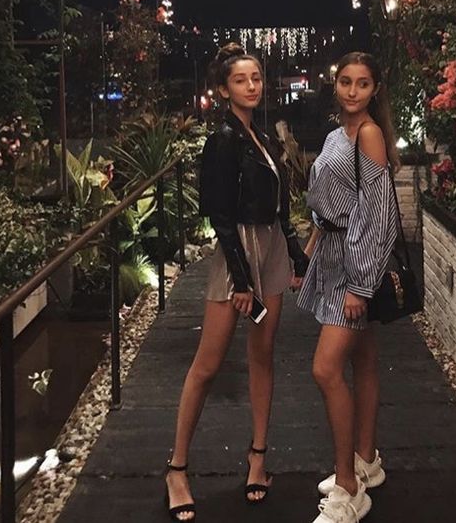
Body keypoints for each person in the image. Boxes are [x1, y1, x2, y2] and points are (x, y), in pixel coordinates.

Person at [164, 43, 309, 521]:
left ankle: (258, 459)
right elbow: (221, 218)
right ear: (224, 89)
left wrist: (292, 252)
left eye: (257, 77)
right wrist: (242, 280)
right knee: (207, 363)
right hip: (238, 253)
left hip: (268, 246)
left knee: (262, 355)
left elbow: (280, 204)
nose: (253, 85)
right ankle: (177, 468)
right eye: (242, 79)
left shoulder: (260, 134)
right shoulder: (223, 139)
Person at [295, 51, 400, 523]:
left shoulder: (371, 134)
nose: (352, 91)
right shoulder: (337, 134)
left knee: (326, 369)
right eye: (345, 82)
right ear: (335, 85)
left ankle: (348, 488)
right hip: (334, 255)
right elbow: (327, 200)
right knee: (365, 359)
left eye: (362, 83)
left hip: (357, 265)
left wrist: (360, 284)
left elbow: (378, 216)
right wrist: (313, 245)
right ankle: (366, 459)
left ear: (375, 89)